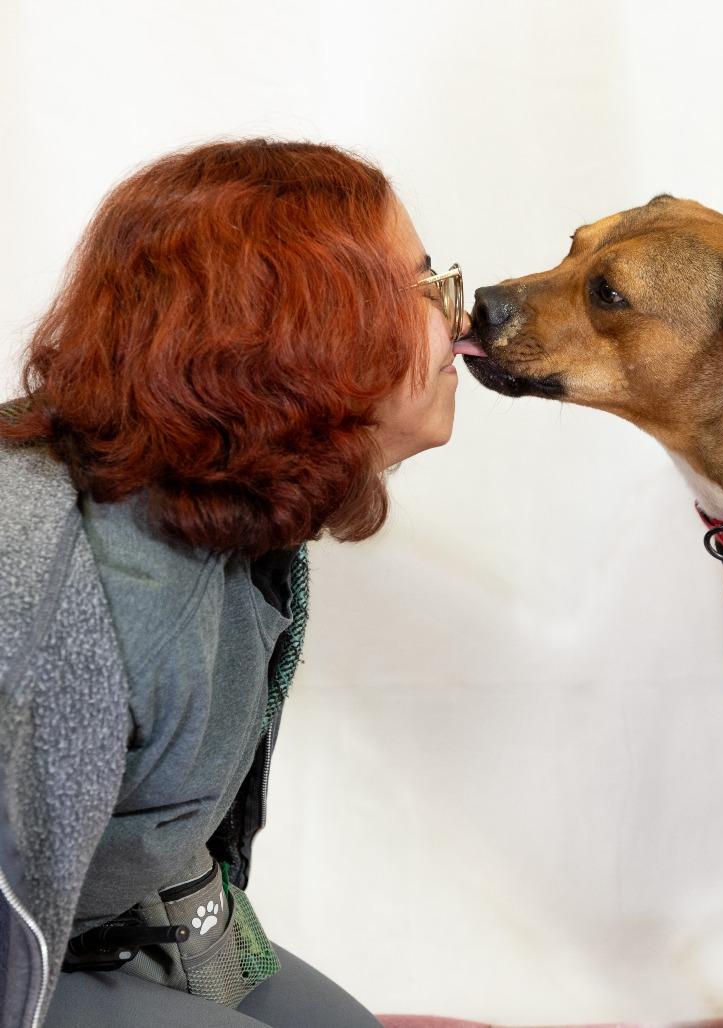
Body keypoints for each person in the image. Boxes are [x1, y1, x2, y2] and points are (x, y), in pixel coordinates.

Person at [0, 138, 484, 1028]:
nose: (460, 319)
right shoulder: (59, 591)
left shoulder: (232, 511)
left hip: (107, 922)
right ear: (305, 329)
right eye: (422, 288)